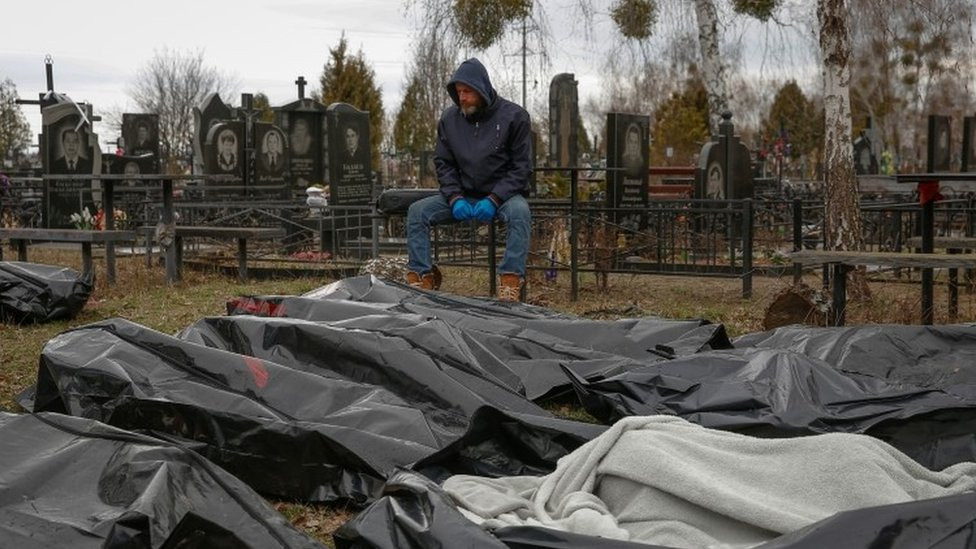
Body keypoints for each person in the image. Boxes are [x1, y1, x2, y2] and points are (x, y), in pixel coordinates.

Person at [405, 57, 532, 302]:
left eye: (467, 91)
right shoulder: (449, 120)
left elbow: (521, 168)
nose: (461, 97)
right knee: (417, 212)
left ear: (482, 89)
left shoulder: (514, 117)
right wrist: (454, 197)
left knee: (520, 213)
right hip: (462, 194)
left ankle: (510, 281)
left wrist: (494, 199)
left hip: (502, 195)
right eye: (458, 92)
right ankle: (422, 278)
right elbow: (444, 163)